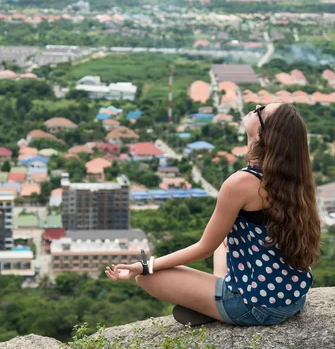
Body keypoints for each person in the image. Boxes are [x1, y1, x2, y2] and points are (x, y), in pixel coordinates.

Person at [105, 103, 321, 326]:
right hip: (292, 298)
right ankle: (214, 299)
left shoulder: (242, 183)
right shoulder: (294, 177)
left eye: (261, 110)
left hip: (258, 306)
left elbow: (203, 248)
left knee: (147, 278)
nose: (256, 106)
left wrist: (144, 266)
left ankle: (220, 306)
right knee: (225, 238)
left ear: (264, 134)